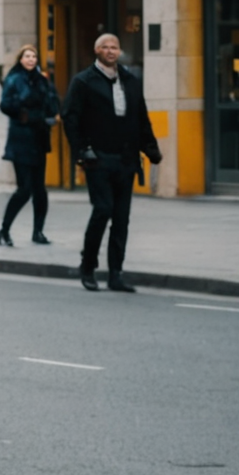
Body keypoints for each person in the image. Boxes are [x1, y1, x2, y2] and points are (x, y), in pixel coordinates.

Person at [60, 32, 160, 293]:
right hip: (98, 159)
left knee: (121, 218)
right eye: (105, 47)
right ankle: (88, 266)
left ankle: (116, 273)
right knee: (102, 209)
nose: (110, 50)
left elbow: (141, 116)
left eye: (114, 47)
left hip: (126, 160)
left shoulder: (130, 80)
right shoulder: (83, 82)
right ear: (97, 51)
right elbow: (70, 118)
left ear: (119, 51)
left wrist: (151, 149)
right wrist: (82, 151)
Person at [0, 44, 57, 246]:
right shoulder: (14, 79)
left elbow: (53, 103)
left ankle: (38, 231)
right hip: (21, 140)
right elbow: (5, 105)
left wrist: (49, 115)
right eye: (27, 56)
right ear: (21, 59)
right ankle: (4, 230)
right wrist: (22, 111)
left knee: (40, 190)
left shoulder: (43, 81)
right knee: (24, 189)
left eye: (34, 56)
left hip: (39, 138)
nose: (30, 59)